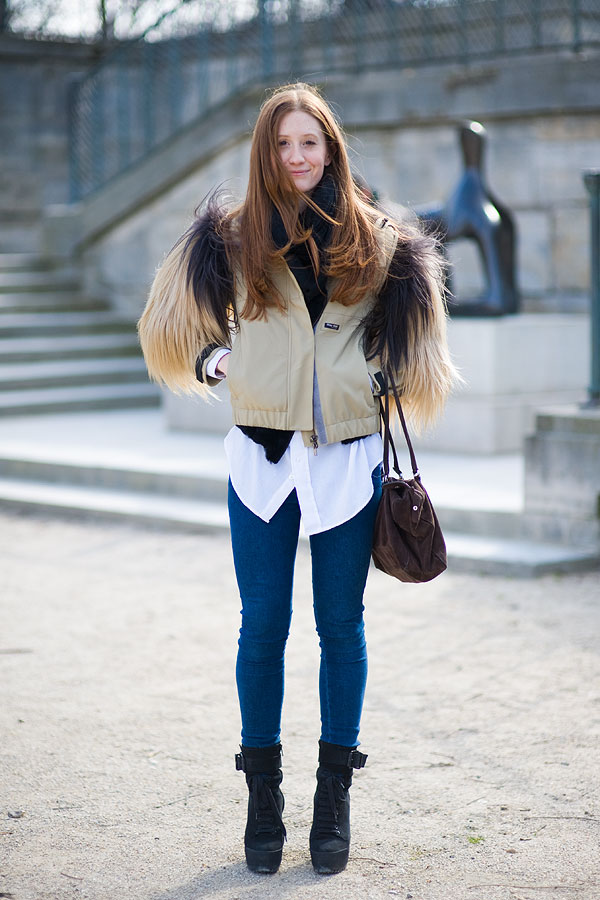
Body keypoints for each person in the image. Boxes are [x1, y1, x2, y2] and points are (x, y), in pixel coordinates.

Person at [138, 83, 459, 876]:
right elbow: (172, 330)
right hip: (261, 459)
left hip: (349, 459)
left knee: (341, 629)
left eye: (309, 142)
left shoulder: (382, 241)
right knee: (262, 628)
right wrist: (222, 362)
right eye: (283, 144)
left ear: (331, 148)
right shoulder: (229, 235)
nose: (297, 157)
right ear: (265, 151)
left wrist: (379, 375)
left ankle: (333, 797)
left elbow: (415, 346)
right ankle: (262, 798)